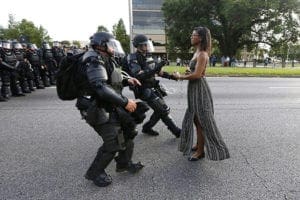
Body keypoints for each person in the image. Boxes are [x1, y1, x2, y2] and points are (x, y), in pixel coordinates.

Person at [75, 32, 145, 187]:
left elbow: (112, 79)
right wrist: (125, 102)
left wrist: (128, 80)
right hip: (95, 107)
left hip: (108, 104)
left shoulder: (105, 58)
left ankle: (124, 163)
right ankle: (95, 173)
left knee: (129, 130)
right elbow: (100, 87)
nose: (114, 48)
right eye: (111, 45)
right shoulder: (93, 60)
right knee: (112, 141)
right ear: (101, 45)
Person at [173, 26, 230, 161]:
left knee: (201, 121)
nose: (191, 37)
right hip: (194, 89)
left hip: (199, 89)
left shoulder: (203, 54)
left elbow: (198, 75)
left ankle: (200, 151)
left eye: (194, 35)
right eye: (192, 35)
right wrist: (188, 72)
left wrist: (180, 76)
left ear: (201, 38)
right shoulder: (197, 53)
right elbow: (195, 72)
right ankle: (199, 145)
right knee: (195, 119)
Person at [124, 34, 181, 138]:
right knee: (163, 110)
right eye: (145, 45)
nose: (147, 46)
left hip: (153, 86)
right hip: (143, 89)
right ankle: (176, 131)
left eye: (147, 44)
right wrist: (156, 68)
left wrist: (172, 77)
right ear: (139, 46)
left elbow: (159, 72)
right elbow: (139, 75)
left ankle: (147, 127)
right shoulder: (133, 58)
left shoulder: (148, 57)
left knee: (161, 110)